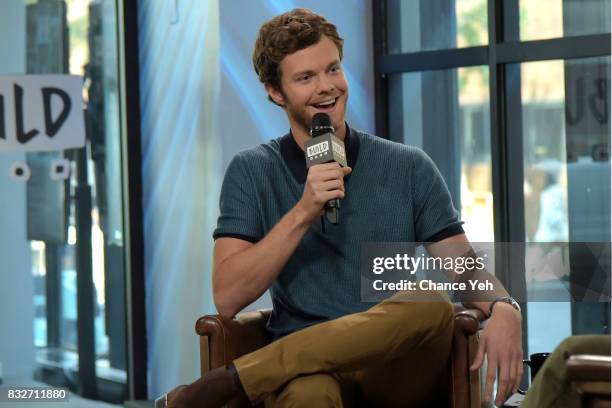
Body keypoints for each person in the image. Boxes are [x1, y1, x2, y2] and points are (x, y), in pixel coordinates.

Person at [163, 8, 522, 408]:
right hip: (309, 372)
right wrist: (303, 212)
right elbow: (228, 297)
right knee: (306, 394)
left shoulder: (408, 165)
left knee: (427, 299)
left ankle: (231, 382)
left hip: (396, 367)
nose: (326, 87)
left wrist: (505, 307)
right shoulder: (252, 171)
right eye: (305, 78)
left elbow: (463, 265)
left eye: (332, 69)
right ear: (274, 91)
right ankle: (257, 376)